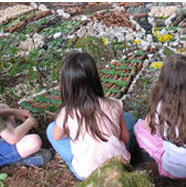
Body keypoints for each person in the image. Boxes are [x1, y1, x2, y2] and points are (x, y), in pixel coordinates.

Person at [46, 52, 134, 180]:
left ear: (66, 85)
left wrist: (73, 131)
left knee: (51, 129)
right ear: (95, 79)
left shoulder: (66, 113)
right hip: (120, 164)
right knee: (129, 119)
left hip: (88, 173)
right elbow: (125, 139)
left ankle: (79, 159)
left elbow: (56, 137)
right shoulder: (114, 104)